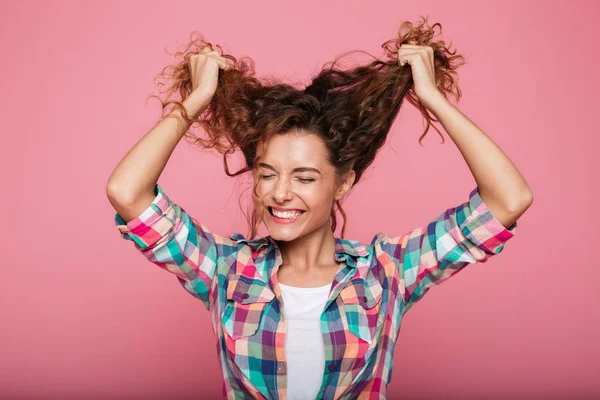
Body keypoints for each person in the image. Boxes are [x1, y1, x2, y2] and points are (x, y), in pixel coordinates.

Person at [106, 16, 532, 400]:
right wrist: (199, 98)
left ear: (342, 182)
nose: (281, 193)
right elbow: (128, 192)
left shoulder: (387, 271)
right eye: (267, 173)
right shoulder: (224, 269)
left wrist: (433, 100)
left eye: (305, 177)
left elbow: (507, 201)